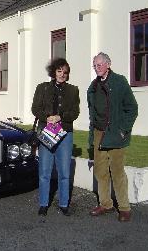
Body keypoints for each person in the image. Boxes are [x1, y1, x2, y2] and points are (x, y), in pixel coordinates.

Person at [87, 52, 138, 222]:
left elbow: (132, 108)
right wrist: (91, 139)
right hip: (98, 134)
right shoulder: (93, 87)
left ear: (108, 64)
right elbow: (92, 116)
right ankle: (106, 204)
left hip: (115, 133)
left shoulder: (120, 81)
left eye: (99, 64)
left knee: (117, 172)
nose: (97, 68)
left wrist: (123, 130)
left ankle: (124, 208)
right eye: (94, 65)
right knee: (100, 171)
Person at [32, 58, 80, 216]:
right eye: (59, 71)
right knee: (45, 171)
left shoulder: (73, 90)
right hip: (46, 131)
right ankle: (44, 203)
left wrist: (61, 117)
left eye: (65, 72)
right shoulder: (42, 88)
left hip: (65, 133)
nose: (62, 74)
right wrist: (48, 117)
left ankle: (64, 203)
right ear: (53, 72)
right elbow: (35, 109)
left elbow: (75, 113)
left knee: (64, 172)